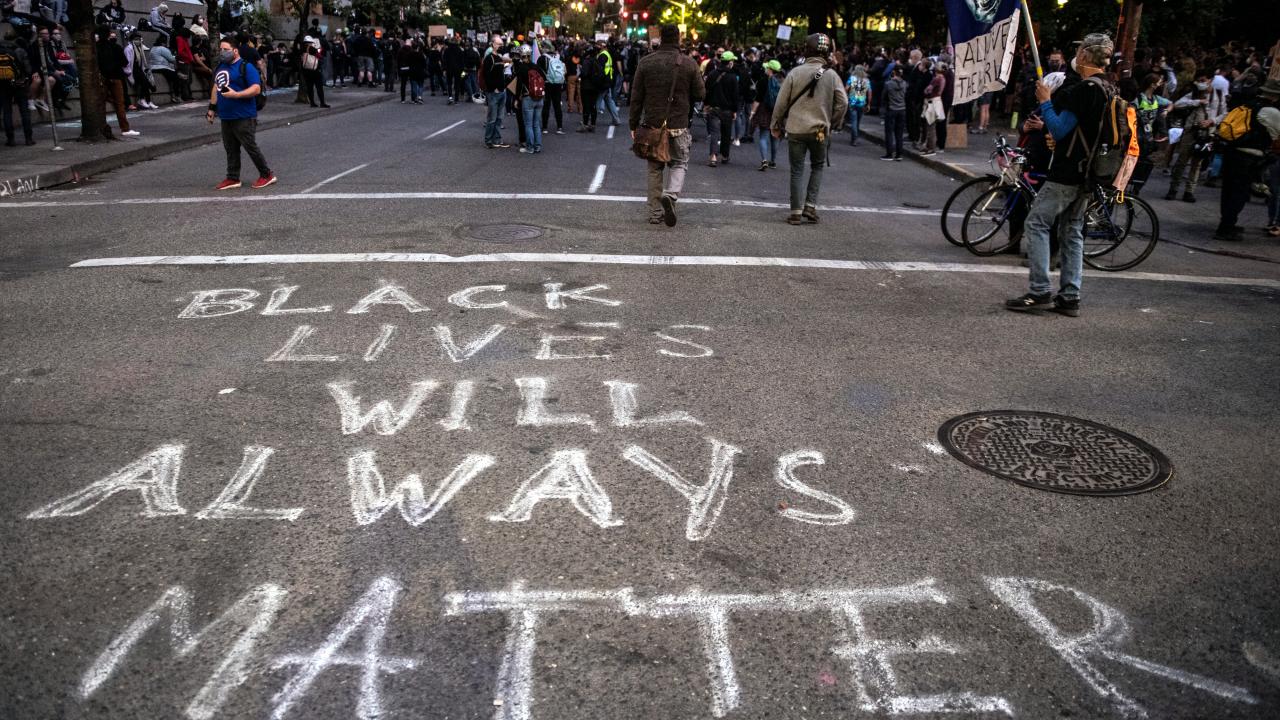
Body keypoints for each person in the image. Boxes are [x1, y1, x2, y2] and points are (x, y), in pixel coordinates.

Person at [1006, 33, 1115, 318]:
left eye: (1079, 51)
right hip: (1091, 171)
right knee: (1072, 231)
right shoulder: (1108, 87)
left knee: (1037, 222)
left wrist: (1044, 101)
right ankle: (1070, 295)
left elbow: (1058, 127)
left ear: (1087, 56)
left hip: (1068, 170)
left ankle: (1039, 290)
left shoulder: (1083, 90)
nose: (1075, 56)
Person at [630, 23, 705, 227]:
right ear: (678, 39)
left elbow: (636, 97)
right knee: (679, 162)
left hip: (653, 124)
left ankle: (655, 212)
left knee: (655, 168)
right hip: (679, 124)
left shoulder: (646, 63)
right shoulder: (689, 64)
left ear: (660, 38)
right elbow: (700, 94)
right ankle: (671, 196)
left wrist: (633, 124)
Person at [770, 33, 847, 225]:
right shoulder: (832, 75)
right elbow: (843, 103)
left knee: (796, 170)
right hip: (820, 130)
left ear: (807, 50)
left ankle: (795, 211)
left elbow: (780, 103)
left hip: (796, 129)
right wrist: (832, 121)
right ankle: (810, 206)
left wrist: (775, 124)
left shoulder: (795, 73)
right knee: (817, 166)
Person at [1214, 80, 1280, 240]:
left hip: (1231, 152)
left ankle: (1226, 223)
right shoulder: (1271, 112)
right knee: (1240, 193)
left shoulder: (1249, 105)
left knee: (1229, 191)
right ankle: (1226, 229)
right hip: (1248, 157)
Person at [207, 36, 275, 191]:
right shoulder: (220, 67)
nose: (223, 52)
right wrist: (211, 108)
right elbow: (216, 87)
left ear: (235, 51)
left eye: (226, 50)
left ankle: (267, 174)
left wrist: (236, 95)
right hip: (226, 115)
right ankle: (232, 177)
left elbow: (256, 88)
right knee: (230, 148)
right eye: (221, 50)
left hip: (243, 115)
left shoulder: (246, 67)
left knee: (250, 146)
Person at [96, 26, 139, 136]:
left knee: (101, 104)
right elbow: (124, 62)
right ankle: (125, 128)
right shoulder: (115, 47)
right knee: (120, 104)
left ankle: (101, 127)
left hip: (103, 77)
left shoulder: (96, 48)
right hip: (116, 76)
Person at [704, 51, 740, 166]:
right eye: (732, 61)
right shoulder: (733, 77)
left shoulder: (712, 74)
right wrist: (735, 110)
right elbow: (735, 96)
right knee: (726, 133)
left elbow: (707, 91)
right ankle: (725, 156)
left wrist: (706, 104)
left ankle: (713, 156)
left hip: (713, 108)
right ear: (729, 63)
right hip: (727, 110)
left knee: (714, 133)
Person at [1, 33, 35, 146]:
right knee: (24, 111)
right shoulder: (19, 50)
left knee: (7, 112)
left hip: (3, 84)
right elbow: (28, 69)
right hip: (19, 84)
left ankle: (10, 139)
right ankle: (28, 138)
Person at [751, 59, 782, 171]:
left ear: (769, 69)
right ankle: (773, 161)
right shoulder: (781, 81)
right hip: (777, 111)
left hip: (764, 110)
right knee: (775, 137)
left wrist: (752, 112)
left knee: (763, 136)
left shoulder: (763, 80)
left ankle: (764, 160)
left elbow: (758, 99)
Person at [480, 35, 509, 148]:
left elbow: (500, 74)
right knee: (492, 118)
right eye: (498, 44)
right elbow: (487, 76)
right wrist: (494, 88)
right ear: (492, 44)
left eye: (501, 44)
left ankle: (497, 139)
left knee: (499, 118)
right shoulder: (489, 58)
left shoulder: (500, 57)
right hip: (493, 93)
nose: (500, 46)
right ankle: (488, 140)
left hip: (502, 91)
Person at [537, 40, 565, 135]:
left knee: (546, 105)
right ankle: (559, 127)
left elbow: (538, 73)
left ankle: (545, 127)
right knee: (557, 105)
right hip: (558, 84)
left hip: (547, 83)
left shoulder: (542, 58)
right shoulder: (559, 57)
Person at [124, 32, 157, 110]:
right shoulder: (129, 49)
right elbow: (128, 62)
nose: (138, 41)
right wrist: (128, 72)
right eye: (136, 39)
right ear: (132, 40)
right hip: (133, 70)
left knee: (146, 84)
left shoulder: (140, 48)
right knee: (144, 83)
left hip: (139, 69)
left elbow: (142, 61)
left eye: (139, 39)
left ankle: (147, 101)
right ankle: (143, 100)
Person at [881, 64, 906, 160]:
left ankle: (889, 153)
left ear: (893, 72)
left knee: (889, 132)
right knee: (899, 133)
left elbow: (884, 97)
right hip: (902, 109)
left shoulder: (888, 84)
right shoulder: (904, 84)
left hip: (891, 109)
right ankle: (899, 154)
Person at [920, 62, 945, 156]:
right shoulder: (943, 78)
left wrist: (925, 92)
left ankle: (931, 148)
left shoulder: (936, 79)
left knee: (930, 126)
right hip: (937, 101)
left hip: (932, 102)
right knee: (932, 125)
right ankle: (930, 147)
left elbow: (927, 90)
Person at [846, 64, 869, 146]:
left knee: (853, 121)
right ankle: (855, 138)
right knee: (858, 121)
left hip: (852, 102)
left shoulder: (851, 79)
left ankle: (854, 139)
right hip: (862, 103)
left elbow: (846, 88)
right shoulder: (866, 80)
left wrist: (846, 96)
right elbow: (870, 93)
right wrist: (868, 103)